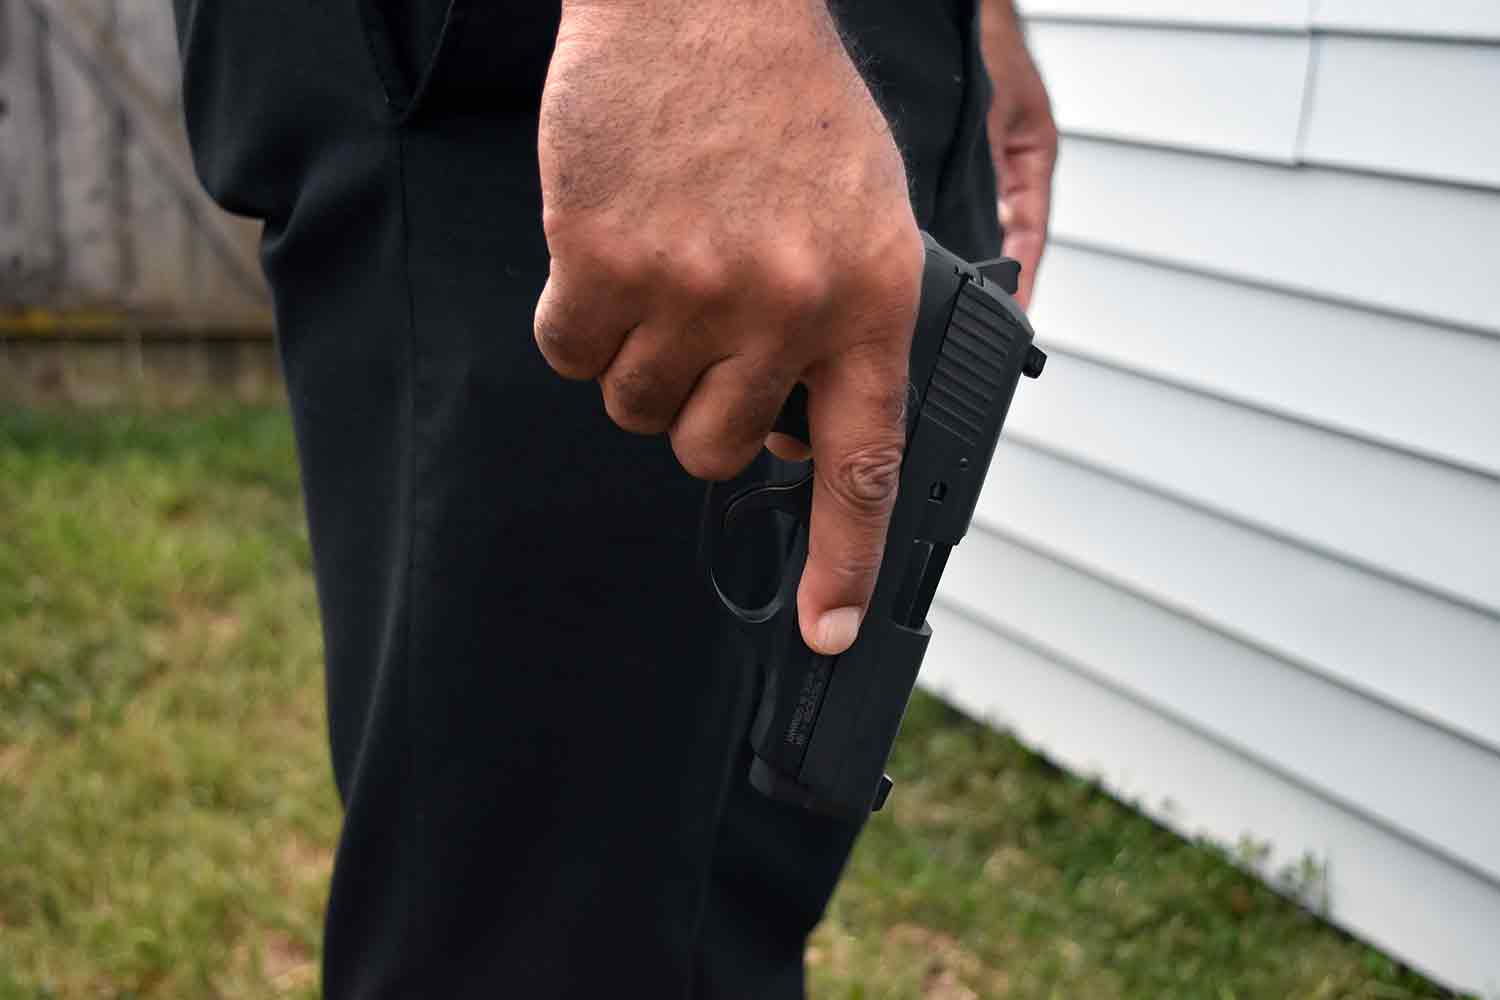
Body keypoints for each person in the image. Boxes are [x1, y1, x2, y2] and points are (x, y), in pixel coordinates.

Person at [171, 0, 1056, 994]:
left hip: (838, 58)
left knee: (735, 897)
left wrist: (976, 22)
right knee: (535, 924)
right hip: (606, 54)